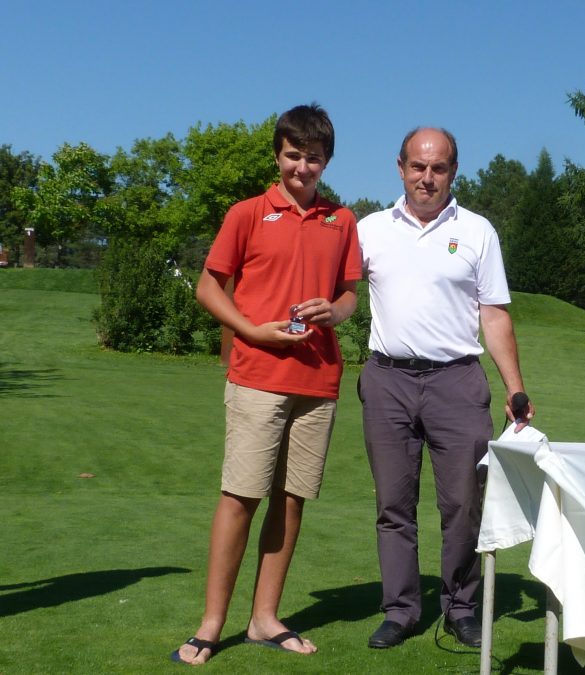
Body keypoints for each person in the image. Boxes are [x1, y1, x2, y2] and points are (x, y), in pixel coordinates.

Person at [171, 103, 361, 665]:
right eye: (294, 155)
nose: (303, 167)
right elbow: (209, 287)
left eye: (314, 158)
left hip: (319, 379)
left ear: (327, 161)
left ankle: (264, 618)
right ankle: (211, 623)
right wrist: (252, 329)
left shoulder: (341, 220)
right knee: (240, 497)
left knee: (292, 498)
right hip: (257, 376)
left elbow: (350, 294)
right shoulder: (248, 213)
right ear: (278, 154)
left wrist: (337, 310)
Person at [357, 127, 534, 650]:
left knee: (462, 503)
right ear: (400, 167)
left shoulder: (477, 231)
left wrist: (515, 388)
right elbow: (342, 294)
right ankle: (401, 610)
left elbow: (494, 314)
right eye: (418, 167)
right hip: (387, 377)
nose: (427, 178)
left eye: (438, 168)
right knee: (394, 504)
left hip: (456, 380)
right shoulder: (369, 229)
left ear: (453, 171)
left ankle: (460, 605)